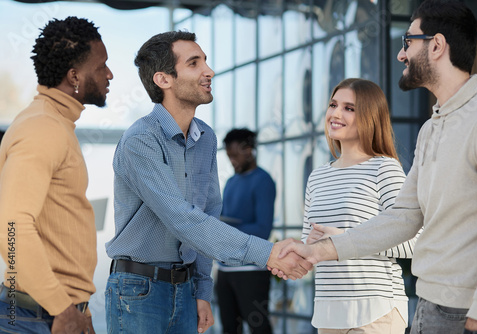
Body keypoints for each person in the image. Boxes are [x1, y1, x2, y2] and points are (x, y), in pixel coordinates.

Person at [278, 1, 477, 333]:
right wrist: (318, 251)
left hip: (467, 313)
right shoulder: (431, 129)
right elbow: (403, 217)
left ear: (436, 46)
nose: (401, 55)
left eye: (408, 41)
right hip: (429, 306)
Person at [104, 31, 310, 334]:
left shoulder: (205, 138)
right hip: (138, 291)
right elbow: (182, 219)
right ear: (164, 79)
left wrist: (201, 291)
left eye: (206, 62)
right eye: (194, 63)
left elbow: (206, 215)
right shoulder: (141, 141)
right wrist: (268, 253)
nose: (208, 71)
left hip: (185, 289)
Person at [0, 16, 113, 334]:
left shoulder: (53, 123)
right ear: (75, 76)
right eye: (102, 65)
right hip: (36, 317)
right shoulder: (42, 128)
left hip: (48, 313)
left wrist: (79, 310)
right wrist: (62, 308)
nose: (109, 74)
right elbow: (11, 224)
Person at [301, 78, 417, 334]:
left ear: (370, 116)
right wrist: (298, 251)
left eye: (349, 108)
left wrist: (344, 239)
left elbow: (414, 242)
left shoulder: (384, 169)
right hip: (328, 314)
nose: (336, 113)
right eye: (333, 105)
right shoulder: (317, 176)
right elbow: (309, 247)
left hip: (375, 312)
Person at [216, 128, 276, 334]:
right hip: (224, 271)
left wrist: (226, 231)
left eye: (234, 156)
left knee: (259, 329)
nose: (232, 161)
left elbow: (263, 230)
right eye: (228, 157)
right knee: (229, 329)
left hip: (251, 272)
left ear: (248, 150)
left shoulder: (263, 181)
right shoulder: (231, 182)